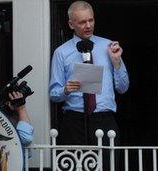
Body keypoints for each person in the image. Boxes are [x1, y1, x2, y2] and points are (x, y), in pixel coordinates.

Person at [49, 1, 129, 169]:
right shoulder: (61, 52)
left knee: (109, 166)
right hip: (74, 121)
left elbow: (123, 88)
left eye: (91, 20)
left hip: (104, 119)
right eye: (82, 22)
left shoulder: (109, 46)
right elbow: (53, 94)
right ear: (71, 24)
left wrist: (117, 63)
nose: (88, 25)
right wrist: (65, 90)